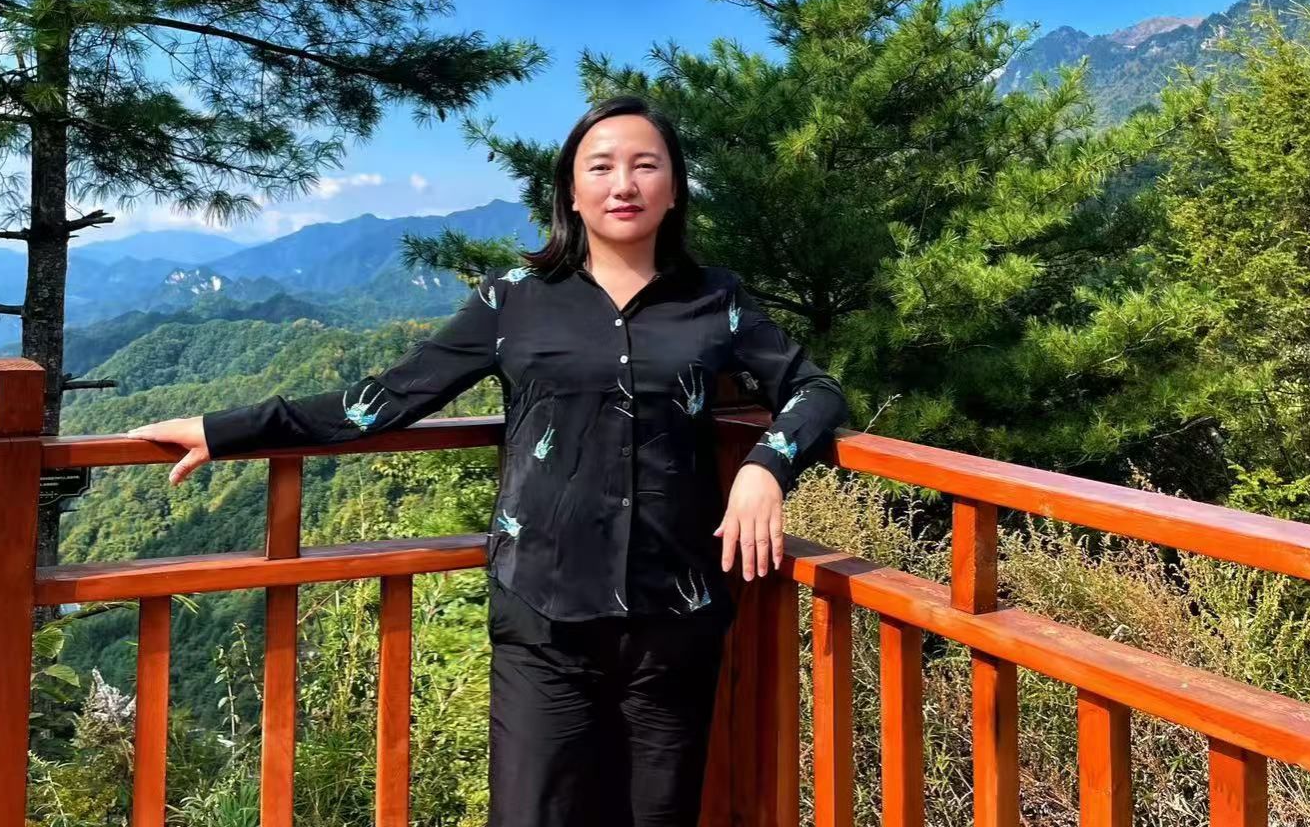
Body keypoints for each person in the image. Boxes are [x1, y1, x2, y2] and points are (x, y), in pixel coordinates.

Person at [126, 94, 850, 827]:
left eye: (645, 166)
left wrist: (765, 465)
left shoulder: (715, 300)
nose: (623, 184)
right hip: (542, 614)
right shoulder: (515, 298)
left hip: (676, 615)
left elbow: (816, 390)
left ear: (673, 188)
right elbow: (387, 399)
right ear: (571, 191)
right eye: (601, 167)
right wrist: (226, 431)